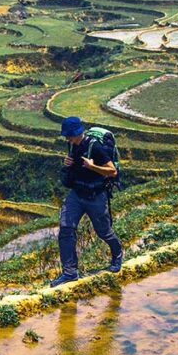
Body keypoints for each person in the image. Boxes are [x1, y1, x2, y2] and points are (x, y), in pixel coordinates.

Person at [50, 116, 123, 287]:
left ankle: (117, 254)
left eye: (69, 135)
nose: (66, 138)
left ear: (77, 133)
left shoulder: (95, 147)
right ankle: (69, 272)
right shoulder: (71, 145)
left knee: (103, 231)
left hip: (95, 195)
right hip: (77, 193)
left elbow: (112, 171)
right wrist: (67, 163)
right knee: (66, 228)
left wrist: (92, 167)